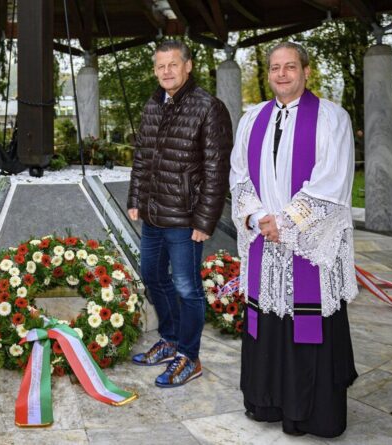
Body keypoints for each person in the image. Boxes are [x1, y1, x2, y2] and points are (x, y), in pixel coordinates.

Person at [230, 42, 358, 438]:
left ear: (305, 71)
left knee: (310, 321)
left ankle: (312, 414)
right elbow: (239, 176)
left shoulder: (332, 119)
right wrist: (254, 216)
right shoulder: (252, 120)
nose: (282, 74)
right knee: (267, 320)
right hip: (266, 241)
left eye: (290, 67)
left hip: (306, 244)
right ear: (268, 74)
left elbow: (331, 183)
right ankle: (267, 402)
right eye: (274, 68)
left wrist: (285, 223)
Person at [127, 40, 233, 387]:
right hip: (154, 215)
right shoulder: (153, 105)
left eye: (173, 64)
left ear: (188, 65)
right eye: (160, 66)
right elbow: (142, 158)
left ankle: (189, 356)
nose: (166, 72)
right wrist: (135, 198)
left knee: (187, 288)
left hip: (186, 220)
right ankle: (171, 340)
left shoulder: (208, 108)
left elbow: (217, 171)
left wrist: (206, 221)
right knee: (153, 276)